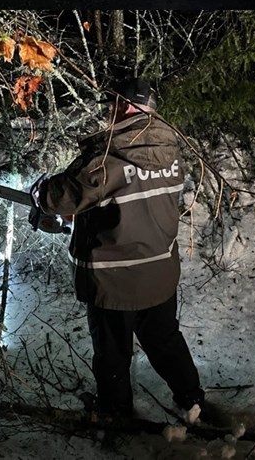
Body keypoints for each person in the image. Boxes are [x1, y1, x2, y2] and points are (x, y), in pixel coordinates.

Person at [33, 78, 224, 427]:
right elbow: (132, 201)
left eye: (114, 105)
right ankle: (192, 400)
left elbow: (62, 195)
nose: (110, 112)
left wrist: (39, 194)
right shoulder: (170, 151)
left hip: (115, 279)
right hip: (159, 271)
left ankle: (114, 414)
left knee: (112, 351)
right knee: (165, 340)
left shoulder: (109, 157)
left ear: (125, 106)